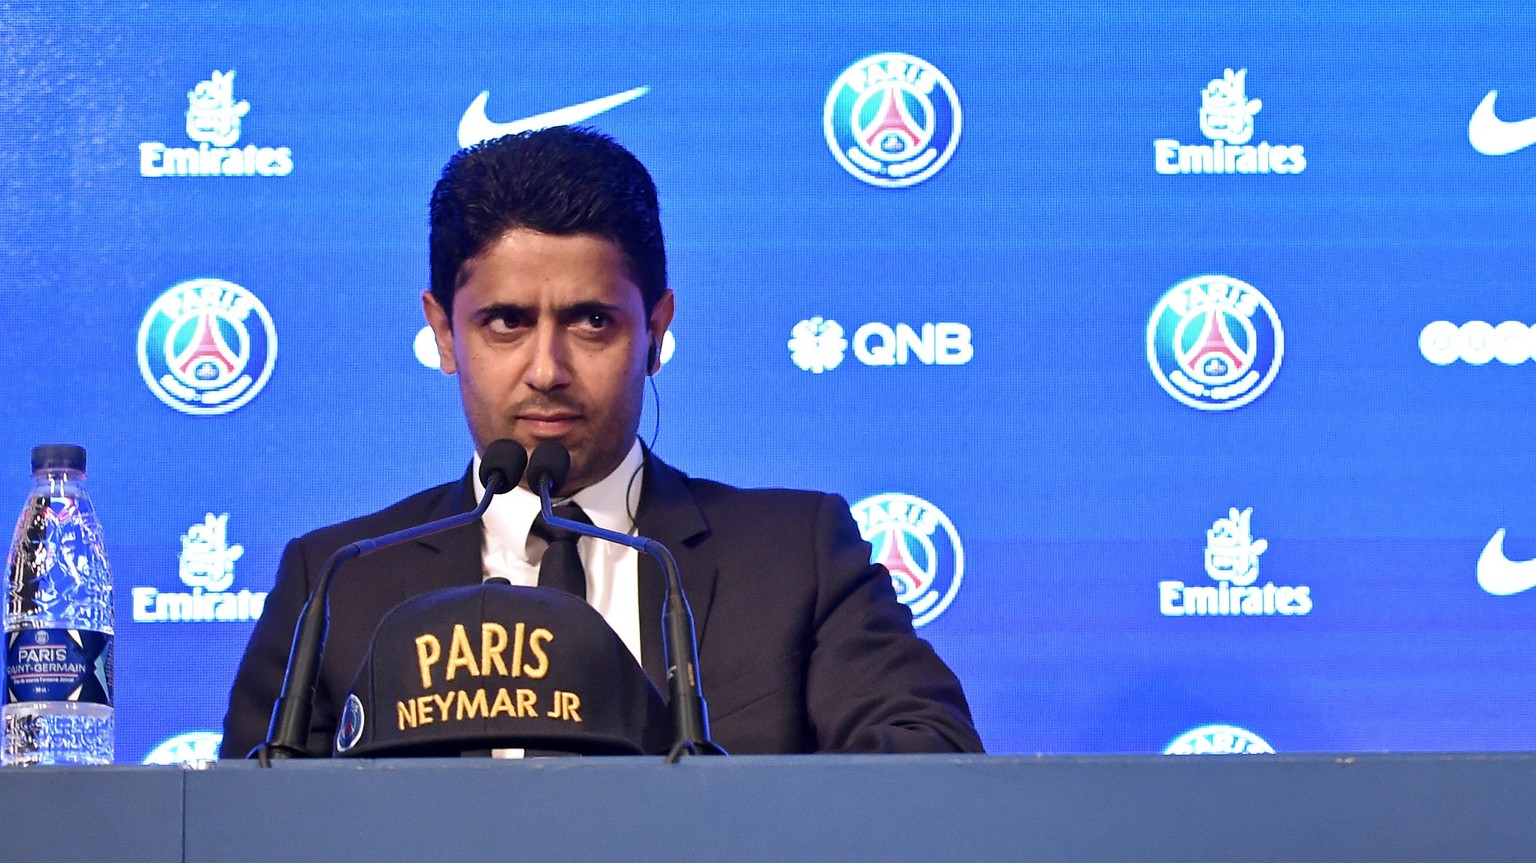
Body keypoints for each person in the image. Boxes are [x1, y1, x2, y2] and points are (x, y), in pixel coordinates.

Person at [220, 126, 983, 757]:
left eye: (592, 321)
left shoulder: (795, 557)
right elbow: (248, 827)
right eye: (506, 322)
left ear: (656, 328)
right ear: (443, 332)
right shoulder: (339, 580)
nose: (546, 370)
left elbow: (933, 764)